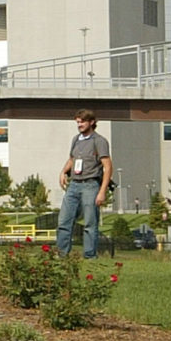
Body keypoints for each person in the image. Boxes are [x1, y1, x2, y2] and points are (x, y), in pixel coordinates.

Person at [56, 109, 112, 259]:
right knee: (64, 221)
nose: (79, 125)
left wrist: (102, 191)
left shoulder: (99, 141)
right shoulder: (76, 139)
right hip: (74, 184)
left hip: (91, 185)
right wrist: (63, 171)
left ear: (92, 122)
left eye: (82, 122)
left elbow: (108, 166)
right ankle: (61, 254)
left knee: (90, 223)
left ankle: (89, 255)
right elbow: (72, 159)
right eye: (77, 122)